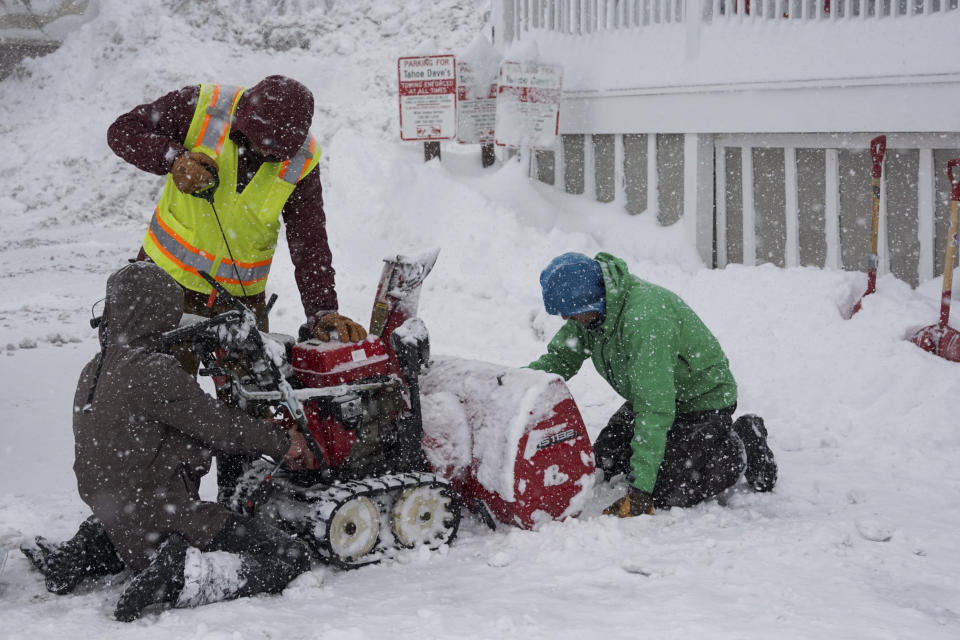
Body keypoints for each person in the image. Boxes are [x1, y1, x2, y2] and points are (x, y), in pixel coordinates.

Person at [107, 74, 366, 497]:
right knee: (162, 404)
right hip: (163, 290)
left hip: (238, 304)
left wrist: (323, 311)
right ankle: (165, 510)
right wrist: (173, 158)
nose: (265, 154)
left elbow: (309, 239)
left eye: (274, 151)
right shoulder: (200, 109)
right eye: (257, 143)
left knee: (250, 408)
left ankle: (238, 500)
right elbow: (122, 131)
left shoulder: (301, 159)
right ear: (243, 116)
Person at [35, 262, 316, 621]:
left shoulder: (93, 368)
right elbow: (222, 427)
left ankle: (89, 547)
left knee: (132, 516)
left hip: (115, 517)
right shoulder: (153, 371)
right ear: (159, 311)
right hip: (168, 519)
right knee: (291, 556)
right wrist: (283, 441)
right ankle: (181, 576)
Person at [528, 252, 777, 517]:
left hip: (701, 402)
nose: (566, 319)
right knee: (604, 462)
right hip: (651, 396)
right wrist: (518, 388)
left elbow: (654, 407)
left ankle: (742, 442)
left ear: (592, 299)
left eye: (571, 311)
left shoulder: (646, 320)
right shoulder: (590, 315)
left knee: (667, 488)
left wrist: (641, 492)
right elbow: (560, 359)